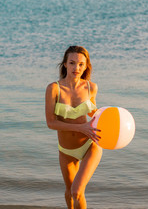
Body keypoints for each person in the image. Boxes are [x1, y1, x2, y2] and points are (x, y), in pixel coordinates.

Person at [45, 46, 103, 209]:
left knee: (77, 192)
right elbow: (51, 123)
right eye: (72, 63)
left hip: (89, 145)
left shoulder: (91, 87)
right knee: (70, 192)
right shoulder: (54, 89)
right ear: (64, 64)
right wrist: (81, 128)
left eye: (80, 64)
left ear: (86, 66)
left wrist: (113, 120)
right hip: (66, 151)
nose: (76, 68)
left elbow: (94, 113)